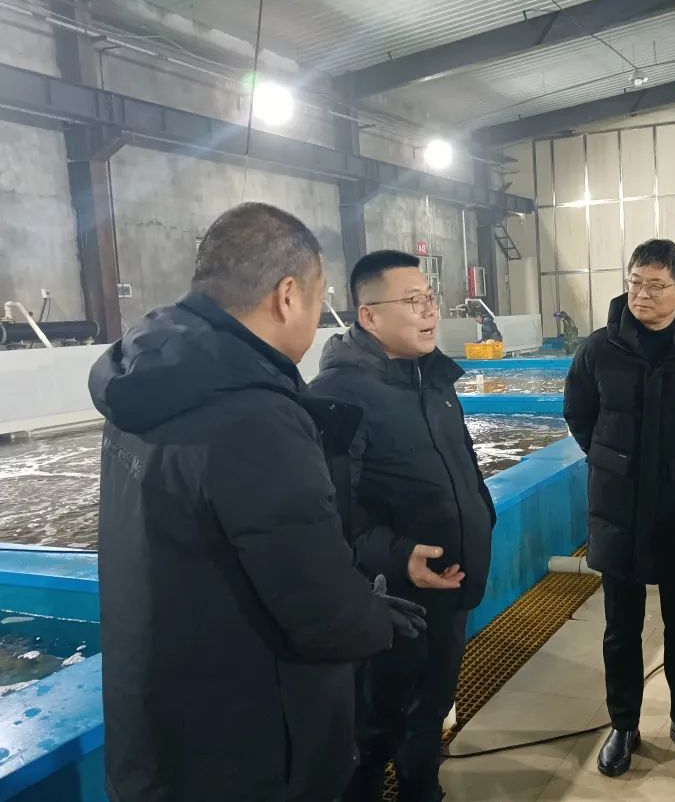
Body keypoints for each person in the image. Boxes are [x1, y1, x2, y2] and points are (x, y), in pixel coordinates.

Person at [89, 203, 413, 802]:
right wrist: (373, 617)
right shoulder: (255, 415)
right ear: (287, 296)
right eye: (317, 301)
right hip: (250, 750)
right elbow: (320, 612)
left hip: (155, 735)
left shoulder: (142, 388)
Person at [309, 250, 496, 802]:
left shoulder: (432, 378)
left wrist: (480, 518)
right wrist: (396, 556)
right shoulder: (338, 396)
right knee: (372, 732)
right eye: (413, 301)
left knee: (430, 713)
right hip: (389, 601)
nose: (429, 311)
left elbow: (463, 466)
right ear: (369, 316)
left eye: (430, 298)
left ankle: (422, 790)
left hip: (450, 589)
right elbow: (328, 515)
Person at [563, 239, 675, 778]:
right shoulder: (600, 348)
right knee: (621, 627)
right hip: (618, 506)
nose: (642, 294)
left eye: (656, 285)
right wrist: (614, 461)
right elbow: (579, 414)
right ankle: (623, 724)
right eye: (635, 282)